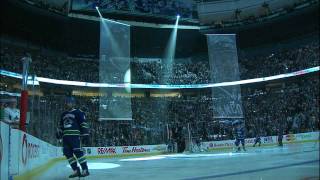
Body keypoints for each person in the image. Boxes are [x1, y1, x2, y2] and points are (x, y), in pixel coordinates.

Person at [56, 97, 90, 178]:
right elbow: (61, 126)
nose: (68, 104)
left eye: (70, 102)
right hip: (65, 137)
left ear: (73, 103)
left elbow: (83, 123)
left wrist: (86, 134)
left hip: (75, 136)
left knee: (78, 152)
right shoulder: (63, 114)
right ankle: (76, 170)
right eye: (67, 102)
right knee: (67, 154)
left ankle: (85, 169)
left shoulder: (78, 112)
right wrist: (59, 132)